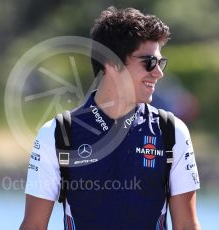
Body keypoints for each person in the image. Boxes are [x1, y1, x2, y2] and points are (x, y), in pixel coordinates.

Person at [20, 6, 200, 230]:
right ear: (112, 63)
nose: (159, 73)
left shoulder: (171, 131)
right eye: (149, 63)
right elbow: (34, 226)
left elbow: (187, 226)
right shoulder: (57, 134)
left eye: (160, 63)